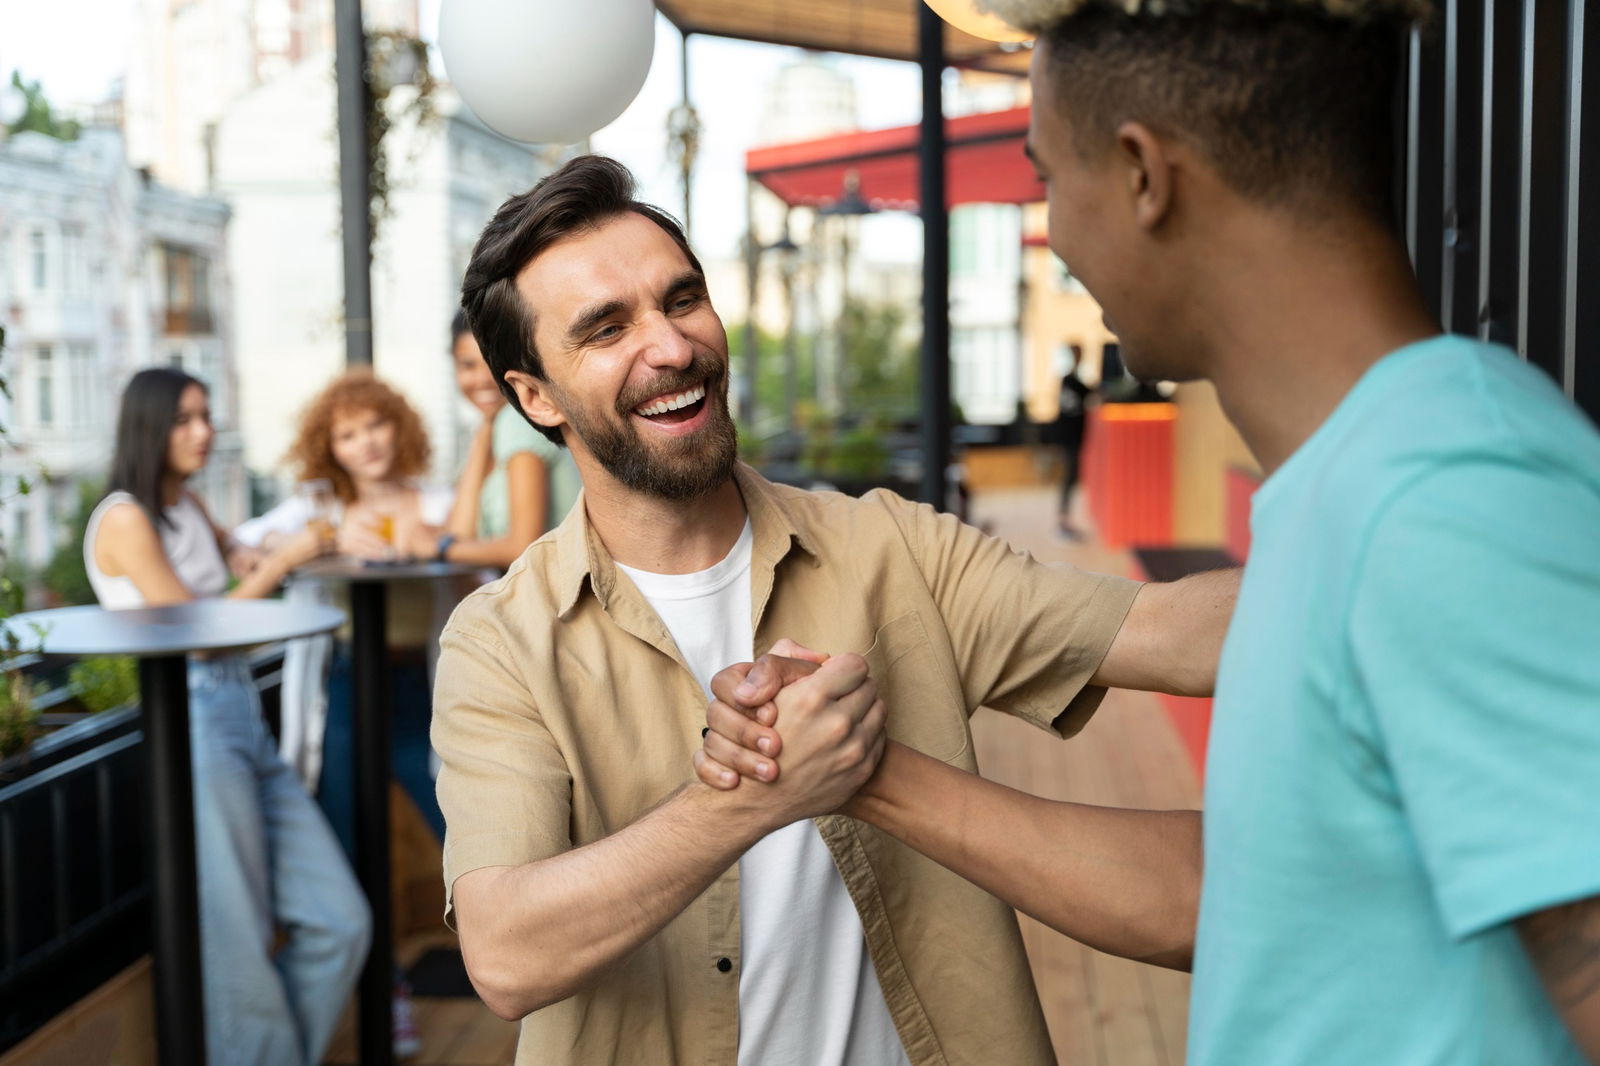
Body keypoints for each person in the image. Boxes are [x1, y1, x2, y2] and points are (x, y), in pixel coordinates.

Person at [698, 1, 1600, 1063]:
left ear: (1141, 174)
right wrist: (865, 773)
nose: (1059, 234)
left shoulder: (1445, 490)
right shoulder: (1357, 486)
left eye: (1045, 176)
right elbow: (1237, 888)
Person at [431, 154, 1236, 1065]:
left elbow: (1175, 635)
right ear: (536, 398)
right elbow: (504, 955)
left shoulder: (890, 548)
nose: (670, 346)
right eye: (607, 328)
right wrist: (752, 796)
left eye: (681, 299)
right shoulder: (500, 642)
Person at [84, 367, 369, 1066]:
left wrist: (257, 552)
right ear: (150, 426)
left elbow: (234, 554)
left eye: (207, 416)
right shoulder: (126, 516)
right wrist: (284, 564)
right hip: (193, 715)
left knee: (341, 921)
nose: (205, 432)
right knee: (237, 939)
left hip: (242, 710)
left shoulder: (186, 504)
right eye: (186, 419)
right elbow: (199, 629)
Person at [236, 368, 453, 852]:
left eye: (376, 425)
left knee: (454, 823)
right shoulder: (325, 511)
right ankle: (362, 929)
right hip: (345, 680)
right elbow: (247, 538)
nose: (366, 443)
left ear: (399, 426)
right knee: (342, 826)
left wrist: (429, 546)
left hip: (423, 682)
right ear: (329, 447)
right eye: (347, 435)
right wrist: (319, 545)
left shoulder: (437, 503)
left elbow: (480, 575)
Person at [400, 313, 580, 568]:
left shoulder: (519, 421)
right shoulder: (493, 425)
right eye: (468, 365)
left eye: (490, 363)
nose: (482, 378)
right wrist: (484, 432)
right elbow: (461, 532)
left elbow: (523, 547)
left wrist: (437, 548)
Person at [1056, 345, 1092, 536]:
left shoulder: (1072, 381)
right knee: (1069, 477)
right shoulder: (1070, 381)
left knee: (1071, 477)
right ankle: (1063, 522)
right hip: (1070, 437)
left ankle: (1064, 520)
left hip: (1072, 437)